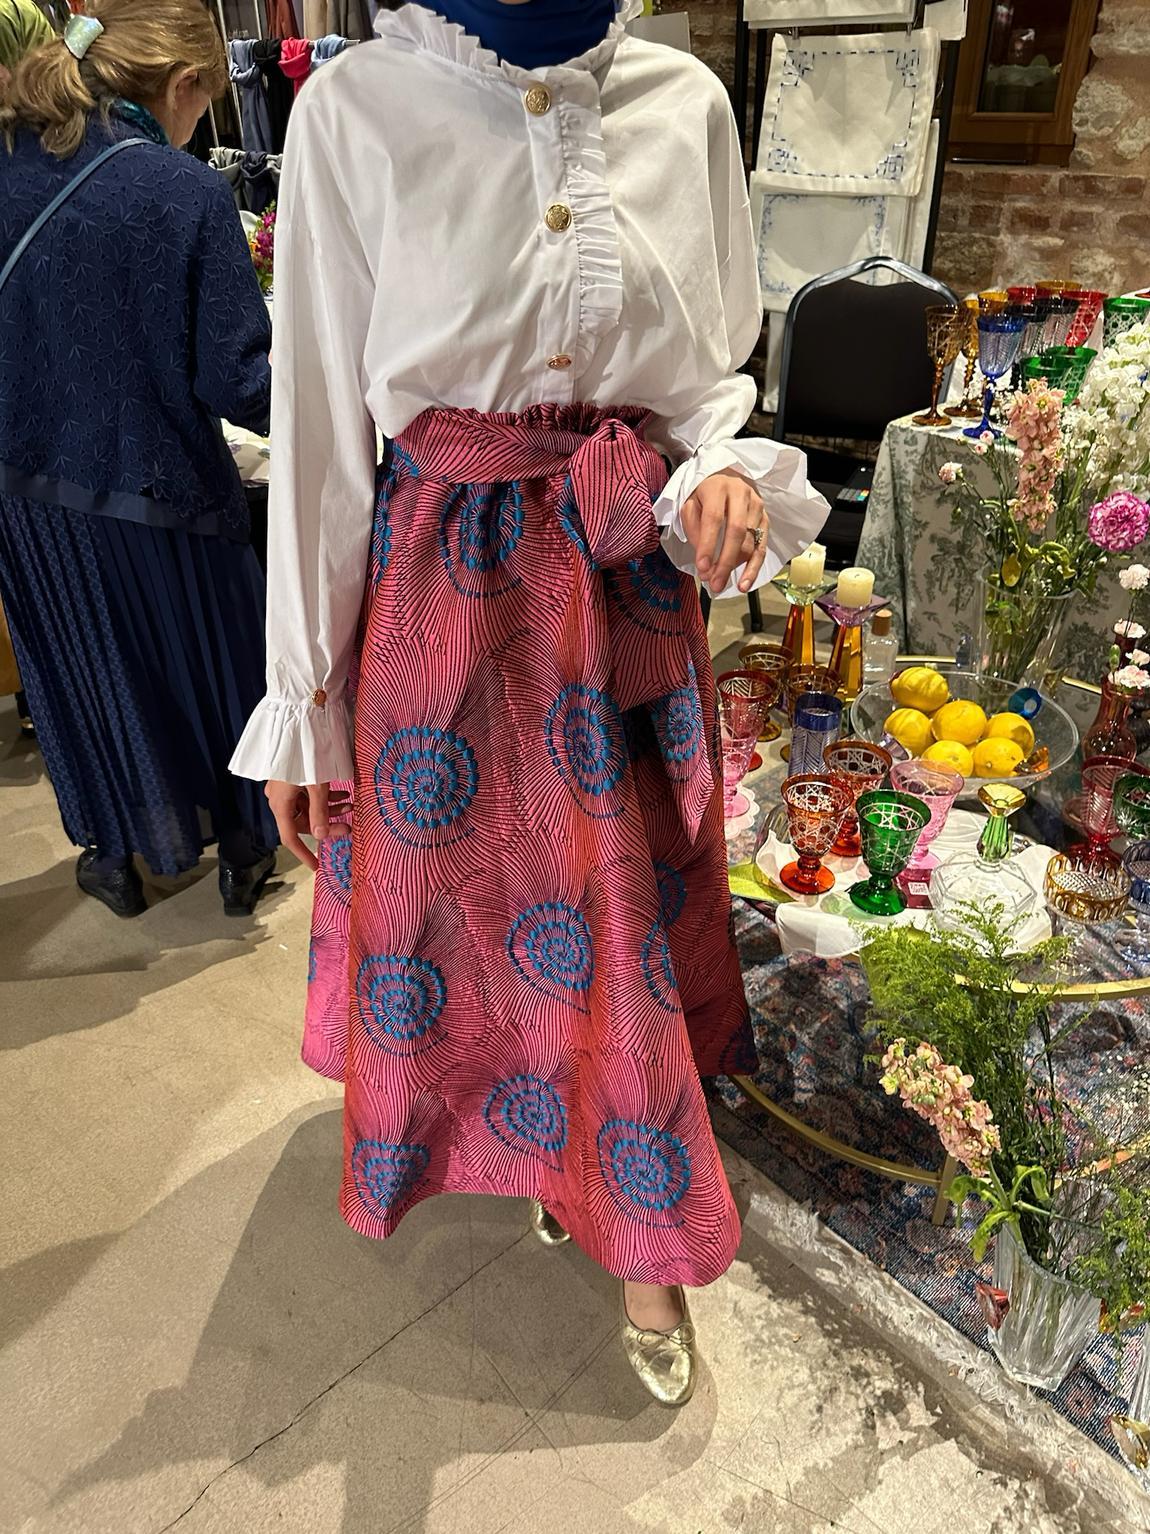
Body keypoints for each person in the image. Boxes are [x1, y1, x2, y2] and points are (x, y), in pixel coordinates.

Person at [231, 0, 827, 1405]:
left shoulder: (682, 101)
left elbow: (708, 382)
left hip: (623, 582)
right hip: (442, 590)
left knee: (614, 918)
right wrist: (301, 694)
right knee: (480, 916)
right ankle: (557, 1160)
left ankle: (632, 1218)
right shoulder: (355, 112)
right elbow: (320, 426)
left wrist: (720, 468)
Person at [0, 0, 278, 918]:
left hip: (26, 497)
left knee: (82, 675)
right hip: (162, 491)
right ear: (186, 84)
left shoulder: (7, 160)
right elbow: (239, 381)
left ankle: (117, 856)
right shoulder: (181, 190)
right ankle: (244, 852)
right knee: (211, 673)